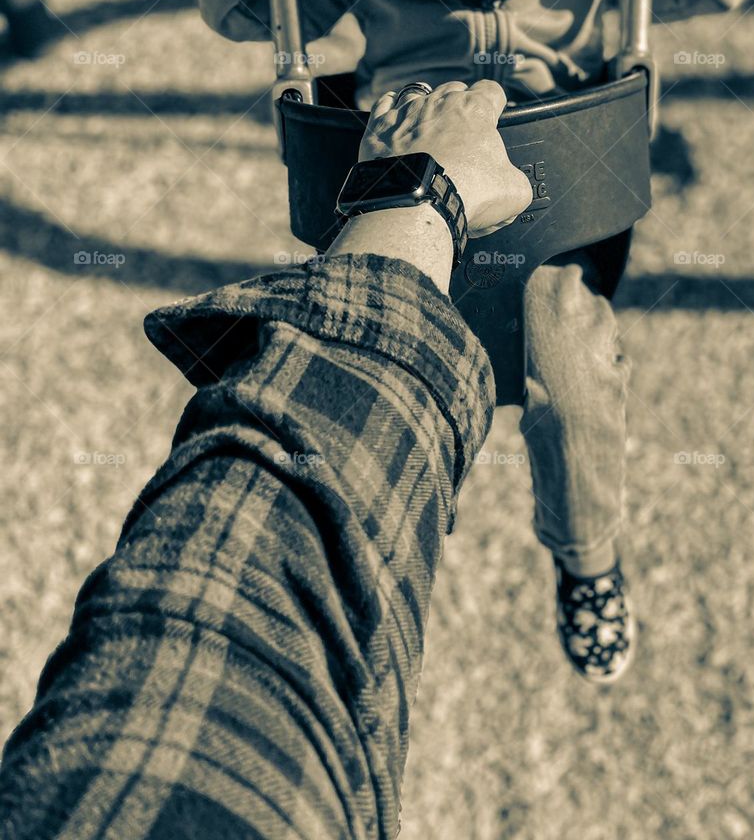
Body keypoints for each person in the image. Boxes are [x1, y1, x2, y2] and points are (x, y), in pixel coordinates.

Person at [183, 0, 752, 683]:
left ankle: (588, 557)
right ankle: (342, 576)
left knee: (572, 366)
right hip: (409, 205)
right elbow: (248, 8)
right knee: (344, 371)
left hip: (550, 223)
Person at [0, 80, 532, 840]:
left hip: (456, 161)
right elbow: (237, 619)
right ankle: (587, 554)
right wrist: (415, 194)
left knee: (572, 355)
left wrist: (402, 194)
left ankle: (584, 549)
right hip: (441, 165)